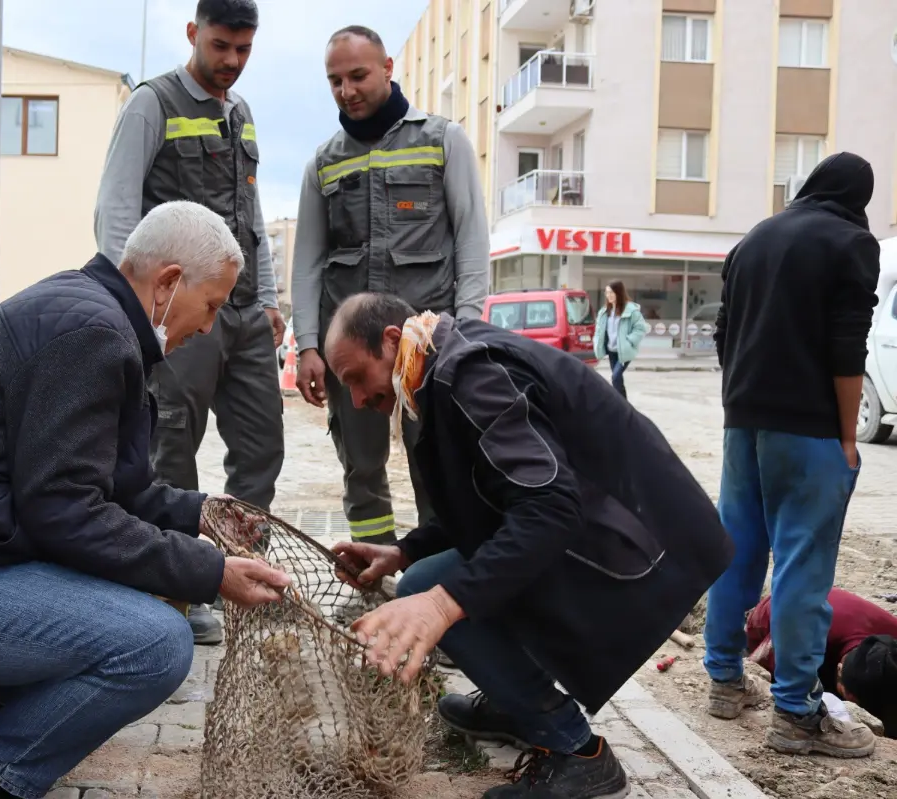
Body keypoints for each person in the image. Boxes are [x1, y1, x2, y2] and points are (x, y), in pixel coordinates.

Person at [0, 201, 292, 799]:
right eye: (211, 306)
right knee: (156, 645)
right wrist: (211, 571)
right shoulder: (92, 334)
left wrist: (197, 513)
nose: (207, 328)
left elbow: (108, 490)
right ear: (169, 283)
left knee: (154, 577)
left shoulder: (94, 317)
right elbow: (66, 513)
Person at [324, 293, 733, 798]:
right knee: (425, 575)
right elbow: (490, 499)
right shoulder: (438, 367)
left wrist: (441, 606)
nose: (359, 400)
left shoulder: (470, 374)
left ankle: (578, 753)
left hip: (641, 548)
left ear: (390, 340)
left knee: (435, 589)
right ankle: (513, 700)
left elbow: (550, 509)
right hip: (614, 529)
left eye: (356, 379)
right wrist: (405, 549)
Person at [94, 0, 284, 645]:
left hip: (245, 309)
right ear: (192, 33)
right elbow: (116, 210)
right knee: (172, 448)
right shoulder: (153, 103)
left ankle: (242, 570)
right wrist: (137, 309)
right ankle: (179, 588)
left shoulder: (243, 115)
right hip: (177, 312)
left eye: (243, 50)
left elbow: (251, 215)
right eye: (221, 45)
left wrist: (271, 297)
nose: (231, 61)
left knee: (263, 449)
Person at [704, 152, 882, 758]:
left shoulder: (755, 237)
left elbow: (724, 332)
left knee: (738, 552)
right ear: (859, 198)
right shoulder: (851, 243)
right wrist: (849, 437)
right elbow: (846, 348)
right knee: (803, 569)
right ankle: (795, 715)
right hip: (808, 432)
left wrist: (743, 396)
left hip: (743, 420)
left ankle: (724, 683)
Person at [289, 25, 489, 545]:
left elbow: (471, 238)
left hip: (428, 348)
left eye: (358, 75)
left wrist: (467, 329)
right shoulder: (323, 162)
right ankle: (373, 576)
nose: (347, 90)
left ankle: (434, 575)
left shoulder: (444, 140)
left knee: (438, 464)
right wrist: (308, 346)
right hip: (354, 355)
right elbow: (308, 260)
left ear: (387, 68)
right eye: (335, 80)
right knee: (361, 468)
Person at [744, 588, 897, 739]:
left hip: (834, 615)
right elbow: (754, 667)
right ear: (839, 669)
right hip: (775, 619)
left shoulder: (893, 637)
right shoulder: (802, 637)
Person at [593, 280, 648, 400]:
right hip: (611, 350)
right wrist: (597, 342)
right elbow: (598, 330)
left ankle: (622, 405)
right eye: (607, 293)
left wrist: (629, 341)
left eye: (612, 292)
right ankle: (623, 405)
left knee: (615, 377)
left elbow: (641, 328)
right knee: (617, 379)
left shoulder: (631, 311)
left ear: (619, 293)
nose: (609, 296)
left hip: (624, 351)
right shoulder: (604, 312)